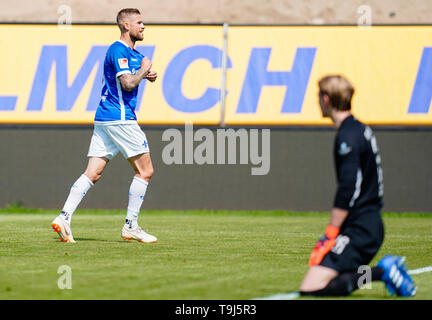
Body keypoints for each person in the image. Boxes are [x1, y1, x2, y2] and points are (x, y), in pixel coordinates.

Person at [299, 75, 416, 297]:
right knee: (334, 279)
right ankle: (381, 272)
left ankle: (382, 272)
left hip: (361, 228)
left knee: (311, 288)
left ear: (326, 99)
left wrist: (330, 234)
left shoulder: (348, 135)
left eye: (317, 97)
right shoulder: (358, 128)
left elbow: (348, 188)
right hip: (365, 223)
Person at [51, 8, 158, 244]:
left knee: (93, 173)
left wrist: (145, 74)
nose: (143, 26)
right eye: (139, 22)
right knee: (145, 171)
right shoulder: (117, 49)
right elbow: (128, 83)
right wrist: (142, 71)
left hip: (105, 118)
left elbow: (127, 79)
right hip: (120, 117)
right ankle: (131, 226)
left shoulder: (131, 53)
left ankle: (64, 218)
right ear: (126, 26)